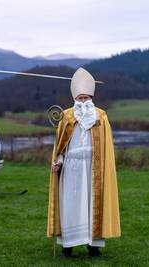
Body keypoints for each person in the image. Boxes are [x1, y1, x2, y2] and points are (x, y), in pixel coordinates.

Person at [46, 67, 121, 257]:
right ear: (75, 98)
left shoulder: (100, 117)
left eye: (86, 97)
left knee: (93, 205)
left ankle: (93, 246)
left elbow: (106, 146)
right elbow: (61, 145)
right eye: (80, 98)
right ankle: (68, 245)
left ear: (91, 97)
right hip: (72, 168)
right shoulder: (66, 116)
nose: (83, 101)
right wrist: (58, 161)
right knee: (70, 204)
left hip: (93, 168)